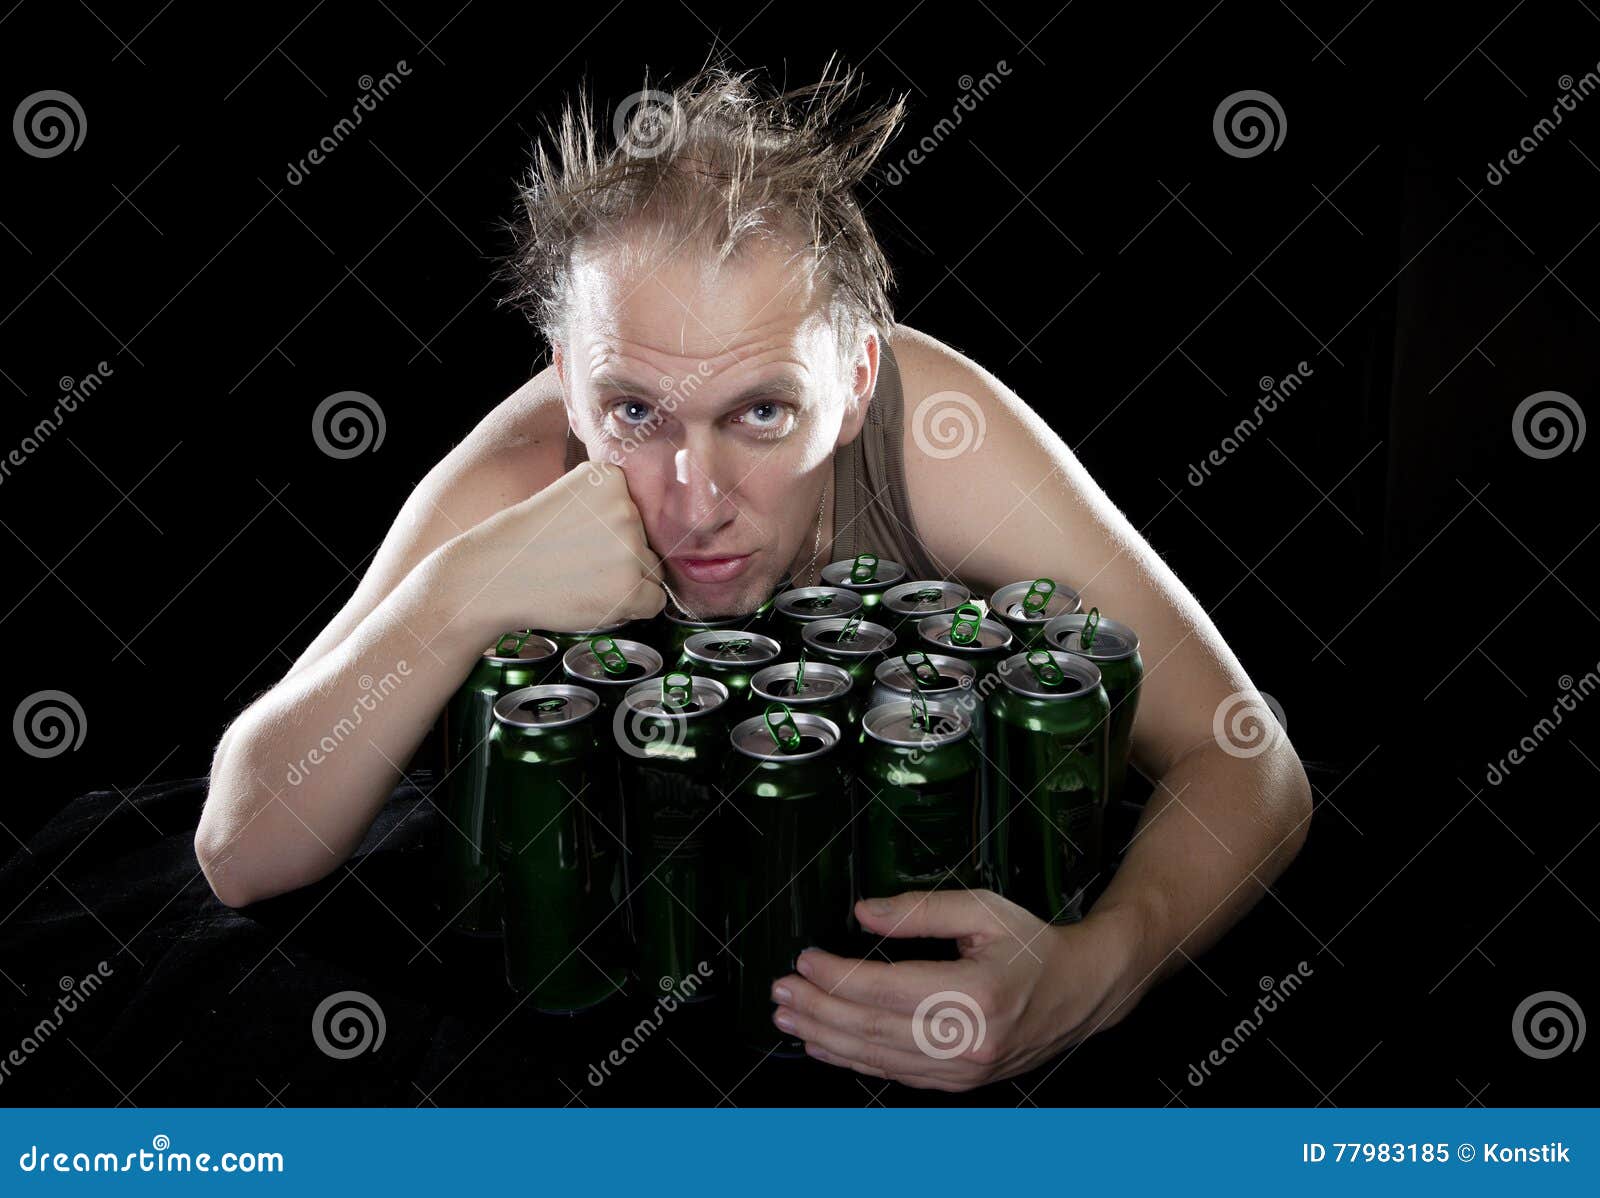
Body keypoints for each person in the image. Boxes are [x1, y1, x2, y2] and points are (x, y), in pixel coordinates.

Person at [195, 63, 1310, 1091]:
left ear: (859, 375)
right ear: (565, 381)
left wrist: (1089, 973)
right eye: (633, 412)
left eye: (762, 413)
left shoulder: (942, 431)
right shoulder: (518, 470)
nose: (696, 500)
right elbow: (241, 847)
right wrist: (455, 596)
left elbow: (1247, 756)